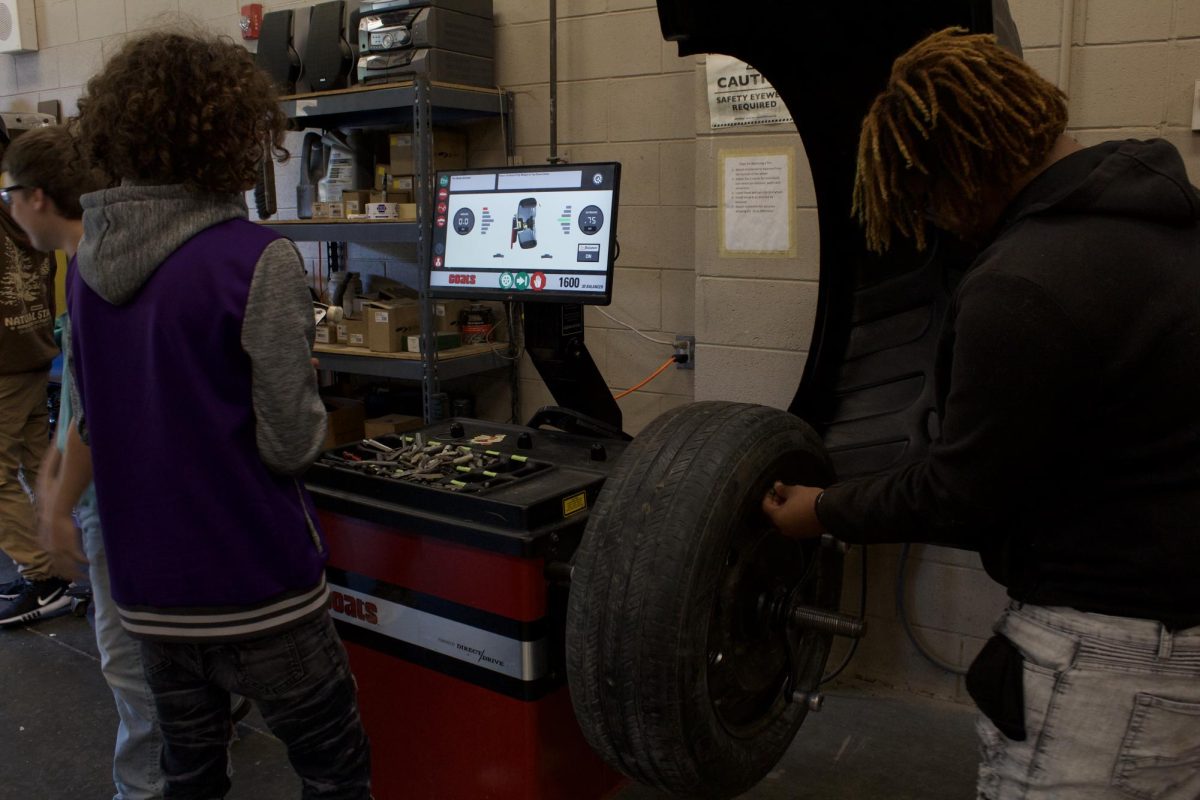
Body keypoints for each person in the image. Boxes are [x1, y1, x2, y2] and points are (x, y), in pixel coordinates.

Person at [763, 28, 1200, 800]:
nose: (935, 221)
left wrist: (824, 510)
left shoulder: (1024, 282)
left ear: (957, 168)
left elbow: (962, 492)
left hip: (1104, 657)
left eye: (926, 197)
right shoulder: (1174, 224)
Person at [67, 30, 371, 799]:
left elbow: (102, 422)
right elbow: (291, 442)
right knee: (335, 773)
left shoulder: (86, 266)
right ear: (232, 129)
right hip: (255, 582)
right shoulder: (253, 258)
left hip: (149, 592)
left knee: (190, 774)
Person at [2, 123, 167, 800]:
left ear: (38, 197)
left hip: (121, 510)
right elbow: (84, 395)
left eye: (10, 194)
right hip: (120, 503)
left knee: (129, 670)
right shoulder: (84, 261)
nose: (7, 208)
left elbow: (104, 409)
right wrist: (55, 472)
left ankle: (146, 789)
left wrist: (62, 502)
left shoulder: (96, 269)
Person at [0, 120, 70, 627]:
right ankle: (55, 569)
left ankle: (43, 578)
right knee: (34, 461)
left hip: (3, 364)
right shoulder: (19, 208)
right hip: (31, 351)